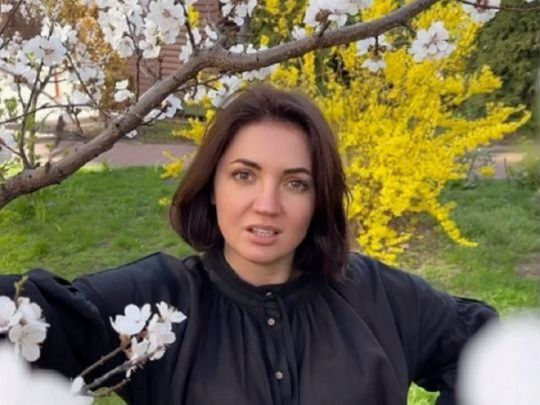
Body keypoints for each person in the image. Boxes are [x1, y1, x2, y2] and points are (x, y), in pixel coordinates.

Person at [0, 85, 496, 405]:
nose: (267, 205)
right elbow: (30, 319)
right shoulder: (158, 304)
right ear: (213, 186)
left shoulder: (379, 299)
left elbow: (486, 348)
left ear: (318, 199)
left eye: (295, 183)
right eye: (244, 175)